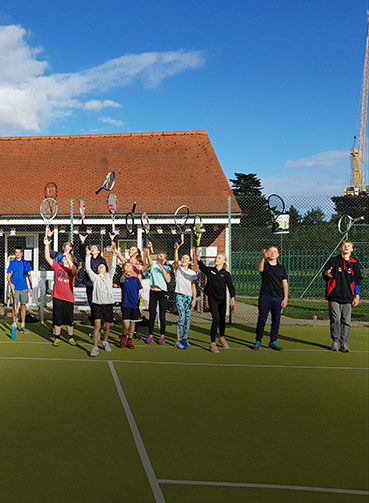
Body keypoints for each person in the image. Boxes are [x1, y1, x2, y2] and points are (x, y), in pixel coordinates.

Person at [194, 247, 235, 353]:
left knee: (222, 320)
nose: (217, 259)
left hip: (222, 300)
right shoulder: (210, 271)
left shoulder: (226, 274)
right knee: (216, 319)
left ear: (224, 261)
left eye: (219, 258)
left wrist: (233, 297)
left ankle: (222, 338)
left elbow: (230, 286)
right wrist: (198, 256)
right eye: (216, 257)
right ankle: (212, 343)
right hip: (212, 299)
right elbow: (201, 266)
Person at [323, 240, 362, 352]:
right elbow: (325, 273)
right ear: (340, 248)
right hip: (334, 295)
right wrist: (327, 274)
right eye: (344, 245)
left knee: (347, 320)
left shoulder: (354, 263)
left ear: (352, 249)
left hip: (348, 297)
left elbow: (357, 281)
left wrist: (357, 296)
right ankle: (335, 341)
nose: (346, 247)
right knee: (335, 319)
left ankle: (344, 343)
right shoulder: (333, 261)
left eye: (348, 246)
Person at [253, 246, 288, 351]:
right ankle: (258, 341)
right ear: (267, 253)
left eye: (275, 252)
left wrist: (285, 298)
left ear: (278, 254)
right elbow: (259, 269)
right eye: (270, 251)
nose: (272, 253)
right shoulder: (265, 265)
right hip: (265, 297)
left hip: (278, 298)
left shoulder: (281, 268)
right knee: (262, 320)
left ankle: (273, 341)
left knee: (276, 321)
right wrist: (263, 258)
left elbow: (285, 284)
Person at [85, 241, 117, 357]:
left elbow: (113, 266)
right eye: (99, 266)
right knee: (97, 325)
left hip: (108, 304)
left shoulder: (109, 276)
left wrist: (114, 254)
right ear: (97, 270)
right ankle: (95, 347)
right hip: (97, 304)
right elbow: (88, 268)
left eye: (102, 266)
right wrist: (88, 256)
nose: (101, 266)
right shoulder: (95, 278)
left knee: (107, 325)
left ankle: (105, 342)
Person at [44, 237, 78, 346]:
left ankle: (70, 337)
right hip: (57, 296)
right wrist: (46, 245)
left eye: (66, 259)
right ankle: (57, 337)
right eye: (63, 258)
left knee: (69, 319)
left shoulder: (72, 271)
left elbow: (74, 269)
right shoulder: (58, 266)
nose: (63, 259)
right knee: (58, 318)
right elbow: (47, 257)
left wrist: (67, 257)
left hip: (68, 298)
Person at [79, 234, 107, 327]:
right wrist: (82, 242)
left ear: (98, 251)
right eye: (92, 247)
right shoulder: (88, 258)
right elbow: (82, 253)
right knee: (92, 305)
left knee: (99, 306)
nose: (92, 248)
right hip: (89, 285)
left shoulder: (102, 260)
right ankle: (96, 325)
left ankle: (101, 325)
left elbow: (104, 272)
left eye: (95, 247)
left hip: (99, 286)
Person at [172, 242, 197, 349]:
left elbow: (193, 287)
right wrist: (176, 250)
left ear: (190, 261)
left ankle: (185, 338)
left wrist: (194, 299)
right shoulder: (178, 269)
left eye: (186, 258)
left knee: (187, 318)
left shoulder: (192, 273)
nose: (184, 260)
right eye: (183, 258)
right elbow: (176, 261)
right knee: (181, 317)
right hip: (180, 296)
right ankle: (178, 340)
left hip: (189, 297)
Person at [145, 245, 171, 345]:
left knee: (162, 315)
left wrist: (162, 268)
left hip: (162, 292)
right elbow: (148, 257)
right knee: (152, 314)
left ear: (165, 259)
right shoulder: (153, 264)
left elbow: (168, 280)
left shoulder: (167, 267)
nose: (159, 257)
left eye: (162, 256)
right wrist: (148, 248)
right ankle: (150, 334)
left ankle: (162, 335)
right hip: (153, 291)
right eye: (158, 255)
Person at [7, 247, 33, 336]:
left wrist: (31, 288)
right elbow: (8, 277)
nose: (18, 254)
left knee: (23, 306)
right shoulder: (12, 263)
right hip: (15, 288)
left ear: (22, 253)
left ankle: (22, 326)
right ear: (15, 253)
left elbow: (29, 276)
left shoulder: (25, 263)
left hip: (24, 288)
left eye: (19, 252)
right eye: (16, 252)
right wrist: (10, 283)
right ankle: (14, 324)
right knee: (14, 306)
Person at [120, 262, 143, 349]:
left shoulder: (136, 279)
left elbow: (139, 290)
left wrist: (141, 296)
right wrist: (124, 275)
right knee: (126, 325)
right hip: (126, 304)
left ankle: (130, 340)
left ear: (132, 269)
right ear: (123, 269)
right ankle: (123, 337)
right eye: (126, 266)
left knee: (133, 324)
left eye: (130, 266)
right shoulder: (123, 279)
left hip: (135, 305)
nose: (128, 267)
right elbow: (122, 279)